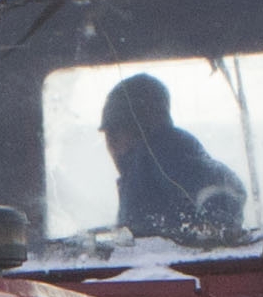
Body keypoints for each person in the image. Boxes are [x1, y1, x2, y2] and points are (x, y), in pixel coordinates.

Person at [101, 73, 247, 241]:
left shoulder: (164, 149)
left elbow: (219, 183)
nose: (111, 146)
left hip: (179, 257)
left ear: (140, 126)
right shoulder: (140, 171)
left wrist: (218, 225)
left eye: (114, 134)